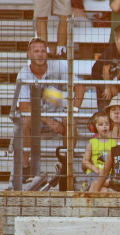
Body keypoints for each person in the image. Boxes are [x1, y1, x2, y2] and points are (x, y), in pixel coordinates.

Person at [17, 38, 85, 179]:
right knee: (25, 121)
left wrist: (73, 111)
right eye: (36, 51)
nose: (40, 54)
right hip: (38, 118)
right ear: (29, 54)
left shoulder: (59, 65)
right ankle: (25, 166)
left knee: (71, 121)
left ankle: (66, 166)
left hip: (58, 113)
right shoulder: (23, 73)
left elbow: (80, 86)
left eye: (43, 51)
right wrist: (49, 121)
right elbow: (24, 107)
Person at [90, 25, 120, 111]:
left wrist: (114, 82)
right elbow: (105, 70)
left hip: (111, 76)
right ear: (117, 40)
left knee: (115, 92)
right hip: (99, 75)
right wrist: (108, 87)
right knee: (107, 94)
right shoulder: (110, 51)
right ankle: (103, 112)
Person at [81, 112, 118, 192]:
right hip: (94, 173)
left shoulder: (114, 143)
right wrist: (95, 169)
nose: (104, 126)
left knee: (105, 188)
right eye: (101, 124)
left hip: (108, 174)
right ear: (95, 127)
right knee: (96, 186)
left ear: (110, 126)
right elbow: (85, 161)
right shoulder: (92, 142)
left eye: (107, 124)